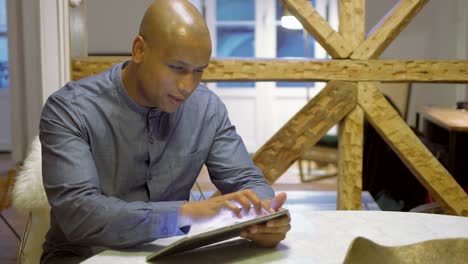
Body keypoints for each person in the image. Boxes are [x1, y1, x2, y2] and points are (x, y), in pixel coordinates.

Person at [39, 0, 291, 263]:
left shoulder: (207, 108)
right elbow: (79, 216)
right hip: (84, 255)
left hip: (170, 253)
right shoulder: (69, 109)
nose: (188, 85)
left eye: (198, 71)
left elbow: (250, 183)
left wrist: (264, 218)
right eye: (177, 68)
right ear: (139, 50)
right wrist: (186, 214)